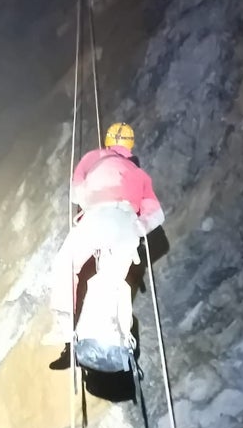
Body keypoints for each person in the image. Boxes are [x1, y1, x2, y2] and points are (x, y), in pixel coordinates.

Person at [44, 122, 165, 369]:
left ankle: (65, 325)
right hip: (126, 223)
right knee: (108, 283)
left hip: (97, 216)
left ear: (109, 142)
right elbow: (157, 214)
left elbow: (76, 193)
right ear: (130, 146)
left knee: (66, 265)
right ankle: (111, 339)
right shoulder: (141, 175)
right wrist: (137, 228)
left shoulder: (94, 157)